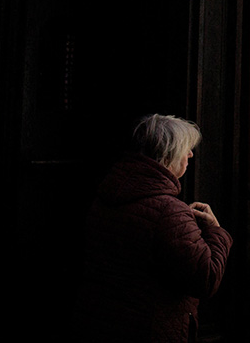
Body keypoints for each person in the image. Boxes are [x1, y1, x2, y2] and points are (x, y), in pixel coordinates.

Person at [75, 114, 232, 343]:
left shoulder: (105, 194)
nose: (190, 155)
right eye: (187, 148)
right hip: (150, 329)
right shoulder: (169, 212)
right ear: (170, 153)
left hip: (98, 323)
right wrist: (216, 232)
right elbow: (206, 279)